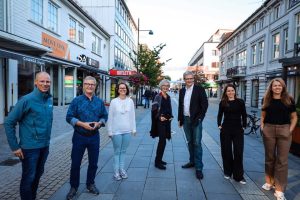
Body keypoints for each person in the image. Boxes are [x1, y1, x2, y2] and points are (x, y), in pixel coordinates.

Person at [4, 72, 53, 200]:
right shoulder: (26, 100)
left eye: (48, 82)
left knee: (37, 175)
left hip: (44, 146)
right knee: (29, 177)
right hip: (30, 148)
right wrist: (15, 146)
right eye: (42, 81)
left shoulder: (49, 99)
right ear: (35, 82)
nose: (45, 84)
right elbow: (9, 122)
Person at [66, 76, 108, 200]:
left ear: (95, 86)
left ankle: (90, 184)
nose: (90, 86)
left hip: (94, 137)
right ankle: (74, 187)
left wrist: (99, 123)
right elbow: (69, 117)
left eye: (92, 84)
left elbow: (104, 116)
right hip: (79, 136)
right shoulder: (76, 101)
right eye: (87, 84)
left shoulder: (99, 102)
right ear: (83, 85)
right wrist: (82, 124)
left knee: (93, 163)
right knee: (75, 163)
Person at [260, 78, 297, 200]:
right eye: (275, 85)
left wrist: (290, 130)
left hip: (284, 130)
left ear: (283, 87)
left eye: (279, 85)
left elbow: (294, 117)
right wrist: (262, 127)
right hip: (269, 129)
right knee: (269, 158)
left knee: (282, 160)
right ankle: (269, 182)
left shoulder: (289, 99)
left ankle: (280, 190)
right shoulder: (266, 99)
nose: (277, 87)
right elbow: (263, 116)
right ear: (271, 87)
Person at [178, 71, 208, 180]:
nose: (189, 80)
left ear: (193, 79)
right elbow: (181, 106)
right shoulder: (182, 91)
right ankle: (192, 162)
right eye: (187, 79)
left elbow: (204, 105)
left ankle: (199, 168)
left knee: (197, 143)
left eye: (191, 78)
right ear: (184, 79)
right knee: (189, 141)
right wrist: (180, 119)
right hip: (185, 119)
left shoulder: (199, 89)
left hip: (196, 120)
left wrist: (200, 118)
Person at [217, 83, 247, 184]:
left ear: (235, 91)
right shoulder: (223, 102)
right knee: (227, 151)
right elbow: (219, 115)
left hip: (238, 130)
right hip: (226, 130)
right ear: (226, 92)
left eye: (232, 90)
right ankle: (228, 172)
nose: (230, 92)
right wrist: (219, 125)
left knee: (238, 152)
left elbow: (244, 115)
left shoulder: (240, 102)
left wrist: (244, 126)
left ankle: (239, 176)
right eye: (228, 91)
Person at [107, 82, 136, 180]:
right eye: (120, 88)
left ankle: (122, 170)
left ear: (127, 89)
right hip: (116, 131)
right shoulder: (114, 101)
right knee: (117, 152)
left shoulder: (130, 101)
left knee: (123, 151)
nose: (122, 89)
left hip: (127, 130)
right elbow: (110, 117)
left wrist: (134, 129)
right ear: (117, 90)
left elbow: (132, 116)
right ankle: (116, 172)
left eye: (124, 88)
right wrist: (110, 131)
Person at [150, 79, 173, 170]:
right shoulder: (157, 96)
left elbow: (169, 108)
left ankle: (159, 159)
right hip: (160, 121)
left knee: (163, 141)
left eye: (167, 86)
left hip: (167, 121)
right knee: (162, 141)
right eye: (164, 85)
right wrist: (159, 117)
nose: (166, 87)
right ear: (161, 86)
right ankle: (157, 161)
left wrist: (171, 116)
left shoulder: (168, 96)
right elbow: (154, 109)